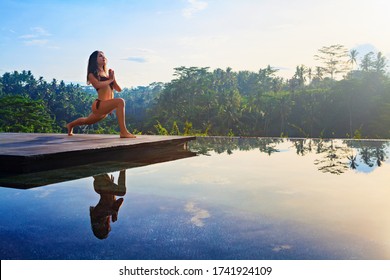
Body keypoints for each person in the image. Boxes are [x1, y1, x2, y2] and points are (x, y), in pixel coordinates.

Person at [67, 50, 136, 138]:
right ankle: (123, 132)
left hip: (105, 107)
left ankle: (70, 125)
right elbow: (97, 84)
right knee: (120, 101)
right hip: (99, 105)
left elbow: (118, 89)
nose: (103, 57)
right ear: (94, 60)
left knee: (87, 121)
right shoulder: (92, 74)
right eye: (100, 56)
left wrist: (113, 78)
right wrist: (110, 80)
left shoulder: (107, 75)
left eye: (103, 56)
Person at [90, 170, 127, 239]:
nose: (102, 226)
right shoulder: (107, 213)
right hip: (106, 187)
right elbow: (120, 200)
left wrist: (114, 212)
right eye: (104, 228)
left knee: (122, 191)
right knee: (98, 170)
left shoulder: (97, 215)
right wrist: (116, 211)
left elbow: (99, 214)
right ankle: (123, 169)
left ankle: (123, 168)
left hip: (101, 188)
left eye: (100, 229)